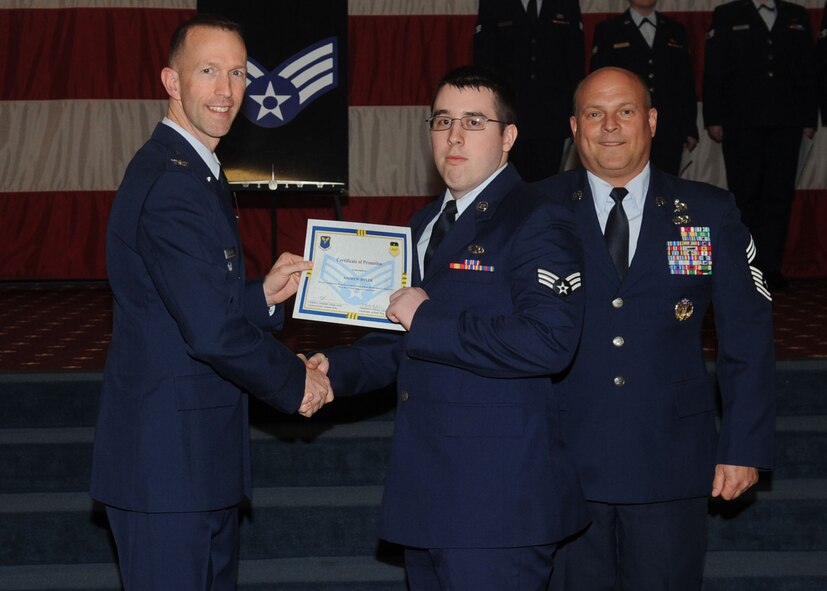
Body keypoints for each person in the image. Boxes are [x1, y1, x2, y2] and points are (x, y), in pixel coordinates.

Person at [308, 65, 588, 590]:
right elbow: (404, 342)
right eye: (442, 121)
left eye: (474, 122)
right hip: (429, 496)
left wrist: (427, 316)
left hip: (497, 507)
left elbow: (549, 342)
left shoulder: (537, 219)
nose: (454, 136)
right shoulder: (423, 225)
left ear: (508, 138)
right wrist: (334, 370)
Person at [90, 15, 332, 590]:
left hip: (194, 463)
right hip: (168, 470)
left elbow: (187, 307)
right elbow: (210, 334)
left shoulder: (197, 170)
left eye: (237, 74)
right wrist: (295, 382)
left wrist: (261, 296)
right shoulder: (174, 179)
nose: (226, 91)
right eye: (208, 72)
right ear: (172, 83)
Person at [534, 67, 776, 591]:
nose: (610, 126)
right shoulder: (536, 210)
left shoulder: (709, 212)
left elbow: (748, 336)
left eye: (625, 111)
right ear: (575, 127)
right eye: (594, 114)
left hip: (671, 457)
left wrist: (743, 445)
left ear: (652, 120)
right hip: (564, 458)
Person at [703, 0, 818, 290]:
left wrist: (808, 117)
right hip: (741, 123)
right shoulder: (728, 14)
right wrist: (713, 117)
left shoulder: (796, 15)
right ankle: (746, 267)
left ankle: (772, 268)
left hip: (786, 122)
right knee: (745, 197)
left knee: (778, 197)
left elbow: (808, 68)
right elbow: (715, 67)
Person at [474, 0, 585, 181]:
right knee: (509, 186)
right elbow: (485, 64)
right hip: (510, 117)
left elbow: (575, 64)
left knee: (549, 186)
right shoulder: (493, 3)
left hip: (553, 120)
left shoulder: (566, 3)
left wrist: (578, 111)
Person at [590, 0, 698, 176]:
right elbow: (597, 85)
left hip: (669, 127)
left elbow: (685, 82)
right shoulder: (609, 30)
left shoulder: (675, 30)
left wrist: (689, 128)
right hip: (625, 127)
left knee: (666, 186)